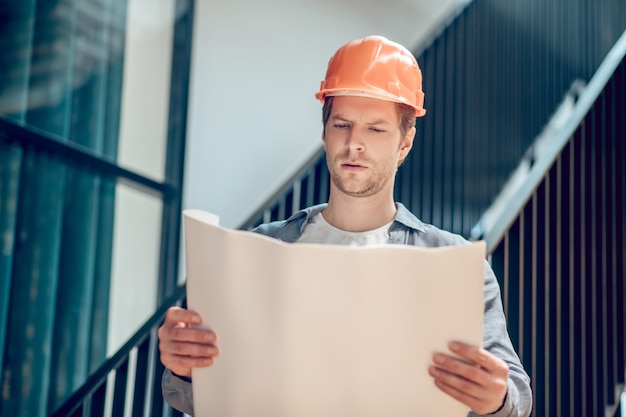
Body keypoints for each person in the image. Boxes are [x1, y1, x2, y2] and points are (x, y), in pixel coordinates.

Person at [157, 35, 532, 417]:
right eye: (342, 124)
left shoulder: (454, 265)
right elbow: (193, 398)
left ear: (405, 143)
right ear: (324, 132)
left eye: (376, 129)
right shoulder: (253, 254)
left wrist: (498, 399)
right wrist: (183, 368)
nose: (354, 143)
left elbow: (516, 395)